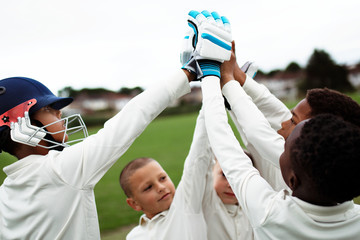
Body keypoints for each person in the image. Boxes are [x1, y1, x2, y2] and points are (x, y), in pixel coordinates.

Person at [0, 56, 195, 238]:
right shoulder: (61, 170)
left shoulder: (4, 196)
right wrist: (188, 72)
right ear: (22, 125)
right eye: (48, 109)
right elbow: (132, 118)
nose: (60, 114)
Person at [201, 67, 360, 239]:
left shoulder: (270, 214)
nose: (279, 133)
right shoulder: (335, 174)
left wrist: (211, 73)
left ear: (293, 180)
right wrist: (234, 78)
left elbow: (229, 150)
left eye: (283, 149)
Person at [221, 41, 360, 192]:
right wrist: (240, 78)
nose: (283, 125)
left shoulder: (306, 165)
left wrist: (228, 80)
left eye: (293, 121)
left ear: (317, 135)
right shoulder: (330, 160)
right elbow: (281, 116)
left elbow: (258, 133)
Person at [119, 108, 211, 240]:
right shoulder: (133, 236)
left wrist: (210, 99)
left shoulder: (186, 205)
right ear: (134, 204)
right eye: (148, 187)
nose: (161, 187)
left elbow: (197, 157)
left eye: (162, 178)